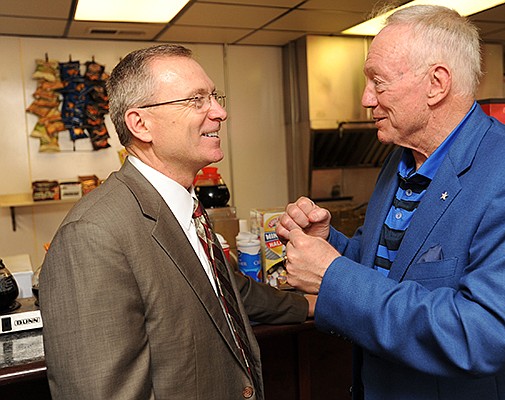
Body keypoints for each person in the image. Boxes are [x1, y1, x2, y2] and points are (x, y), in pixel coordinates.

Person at [276, 5, 505, 400]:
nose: (366, 99)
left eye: (377, 82)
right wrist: (329, 245)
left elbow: (481, 335)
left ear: (436, 83)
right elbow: (388, 270)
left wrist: (331, 275)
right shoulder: (400, 160)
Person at [40, 44, 313, 400]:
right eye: (196, 100)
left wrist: (313, 304)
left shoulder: (183, 206)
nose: (219, 112)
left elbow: (228, 290)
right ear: (141, 124)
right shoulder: (92, 235)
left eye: (214, 96)